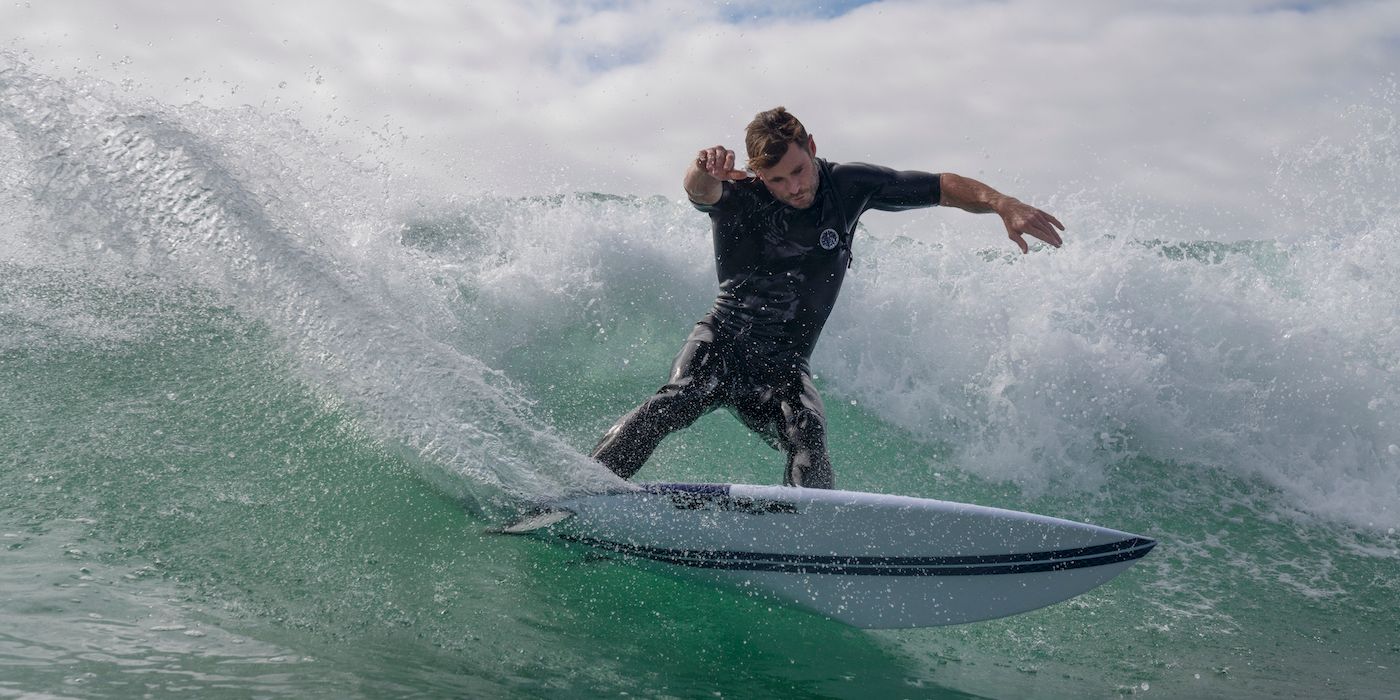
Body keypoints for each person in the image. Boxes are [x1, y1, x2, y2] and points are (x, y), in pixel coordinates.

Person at [591, 107, 1064, 489]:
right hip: (724, 342)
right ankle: (584, 492)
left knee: (807, 434)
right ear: (757, 173)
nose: (793, 187)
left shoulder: (847, 185)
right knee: (674, 402)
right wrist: (701, 167)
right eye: (777, 179)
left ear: (812, 148)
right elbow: (700, 190)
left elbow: (942, 187)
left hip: (783, 364)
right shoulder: (742, 196)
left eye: (798, 171)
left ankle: (808, 541)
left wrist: (1003, 203)